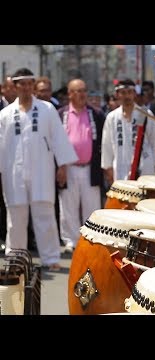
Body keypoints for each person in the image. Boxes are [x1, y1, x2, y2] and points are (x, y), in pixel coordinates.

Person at [0, 68, 78, 271]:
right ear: (15, 87)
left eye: (29, 84)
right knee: (15, 217)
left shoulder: (47, 109)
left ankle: (51, 258)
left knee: (44, 214)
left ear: (32, 86)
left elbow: (59, 139)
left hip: (41, 170)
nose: (25, 88)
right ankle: (15, 259)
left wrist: (62, 166)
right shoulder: (5, 114)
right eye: (21, 84)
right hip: (14, 172)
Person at [57, 79, 105, 252]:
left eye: (84, 90)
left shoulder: (96, 114)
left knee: (91, 205)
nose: (82, 94)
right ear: (70, 94)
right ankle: (70, 240)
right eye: (77, 91)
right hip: (68, 167)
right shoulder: (60, 114)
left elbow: (103, 142)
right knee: (68, 205)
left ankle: (90, 237)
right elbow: (55, 143)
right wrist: (59, 167)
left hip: (89, 167)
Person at [101, 79, 155, 185]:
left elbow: (153, 139)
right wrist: (108, 167)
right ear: (117, 95)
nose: (126, 96)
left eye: (129, 92)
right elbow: (107, 145)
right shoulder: (112, 117)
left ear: (134, 94)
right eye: (123, 93)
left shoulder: (146, 114)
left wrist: (151, 161)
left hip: (143, 167)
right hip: (120, 166)